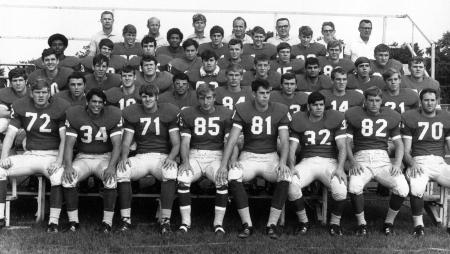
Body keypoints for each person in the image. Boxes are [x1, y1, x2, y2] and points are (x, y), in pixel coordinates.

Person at [216, 79, 292, 239]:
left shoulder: (280, 109)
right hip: (249, 156)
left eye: (268, 93)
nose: (265, 96)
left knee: (285, 175)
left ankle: (271, 224)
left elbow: (285, 141)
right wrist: (223, 165)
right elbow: (232, 139)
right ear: (253, 94)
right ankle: (247, 224)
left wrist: (283, 162)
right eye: (262, 93)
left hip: (270, 156)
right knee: (233, 175)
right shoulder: (243, 109)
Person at [0, 79, 70, 231]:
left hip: (52, 155)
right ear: (31, 93)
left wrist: (59, 161)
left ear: (49, 93)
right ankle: (0, 217)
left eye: (44, 92)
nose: (40, 96)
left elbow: (64, 138)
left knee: (58, 177)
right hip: (30, 154)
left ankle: (53, 222)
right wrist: (4, 156)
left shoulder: (60, 107)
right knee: (0, 170)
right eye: (37, 92)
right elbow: (10, 135)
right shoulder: (21, 106)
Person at [117, 84, 180, 234]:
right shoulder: (133, 113)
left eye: (150, 96)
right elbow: (126, 142)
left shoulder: (168, 112)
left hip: (162, 156)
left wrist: (172, 157)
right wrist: (124, 157)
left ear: (157, 97)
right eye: (144, 96)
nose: (147, 99)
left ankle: (165, 220)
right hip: (142, 156)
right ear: (141, 98)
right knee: (122, 172)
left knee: (170, 173)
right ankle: (125, 220)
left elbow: (177, 143)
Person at [345, 86, 409, 236]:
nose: (374, 103)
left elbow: (399, 144)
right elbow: (346, 143)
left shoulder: (390, 117)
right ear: (365, 102)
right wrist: (353, 162)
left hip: (382, 159)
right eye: (371, 100)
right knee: (354, 186)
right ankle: (362, 224)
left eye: (377, 100)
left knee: (402, 189)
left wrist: (397, 163)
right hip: (361, 158)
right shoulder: (354, 115)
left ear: (381, 102)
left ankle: (389, 223)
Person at [62, 88, 122, 233]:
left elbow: (117, 144)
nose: (97, 105)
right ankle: (73, 222)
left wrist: (112, 166)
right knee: (68, 179)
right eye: (94, 101)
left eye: (100, 102)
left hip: (104, 157)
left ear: (104, 104)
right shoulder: (75, 115)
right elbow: (69, 144)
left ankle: (107, 223)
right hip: (83, 157)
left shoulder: (113, 115)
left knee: (111, 180)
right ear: (87, 102)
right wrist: (68, 166)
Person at [288, 91, 347, 236]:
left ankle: (335, 223)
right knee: (290, 186)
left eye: (321, 105)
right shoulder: (299, 120)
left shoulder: (334, 119)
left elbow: (342, 147)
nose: (319, 108)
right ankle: (303, 222)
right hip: (307, 161)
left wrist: (340, 168)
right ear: (309, 106)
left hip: (329, 161)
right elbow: (292, 148)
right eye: (315, 105)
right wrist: (291, 166)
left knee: (340, 190)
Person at [177, 84, 233, 235]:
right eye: (202, 98)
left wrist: (224, 164)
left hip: (216, 155)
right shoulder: (188, 114)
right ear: (198, 99)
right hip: (195, 154)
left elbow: (230, 142)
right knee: (183, 177)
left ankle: (218, 224)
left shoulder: (226, 114)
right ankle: (185, 222)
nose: (206, 102)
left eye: (209, 98)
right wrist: (185, 161)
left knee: (222, 180)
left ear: (215, 98)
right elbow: (185, 141)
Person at [402, 88, 450, 236]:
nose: (429, 103)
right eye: (426, 100)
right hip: (419, 161)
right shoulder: (410, 117)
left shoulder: (445, 117)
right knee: (416, 188)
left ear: (437, 102)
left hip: (439, 162)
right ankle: (418, 226)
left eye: (432, 100)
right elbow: (405, 151)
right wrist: (412, 163)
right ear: (420, 102)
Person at [0, 68, 29, 134]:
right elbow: (1, 113)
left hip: (30, 123)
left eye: (21, 80)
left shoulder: (33, 93)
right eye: (15, 81)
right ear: (10, 83)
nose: (18, 83)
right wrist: (16, 113)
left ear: (26, 81)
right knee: (2, 123)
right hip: (12, 122)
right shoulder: (5, 92)